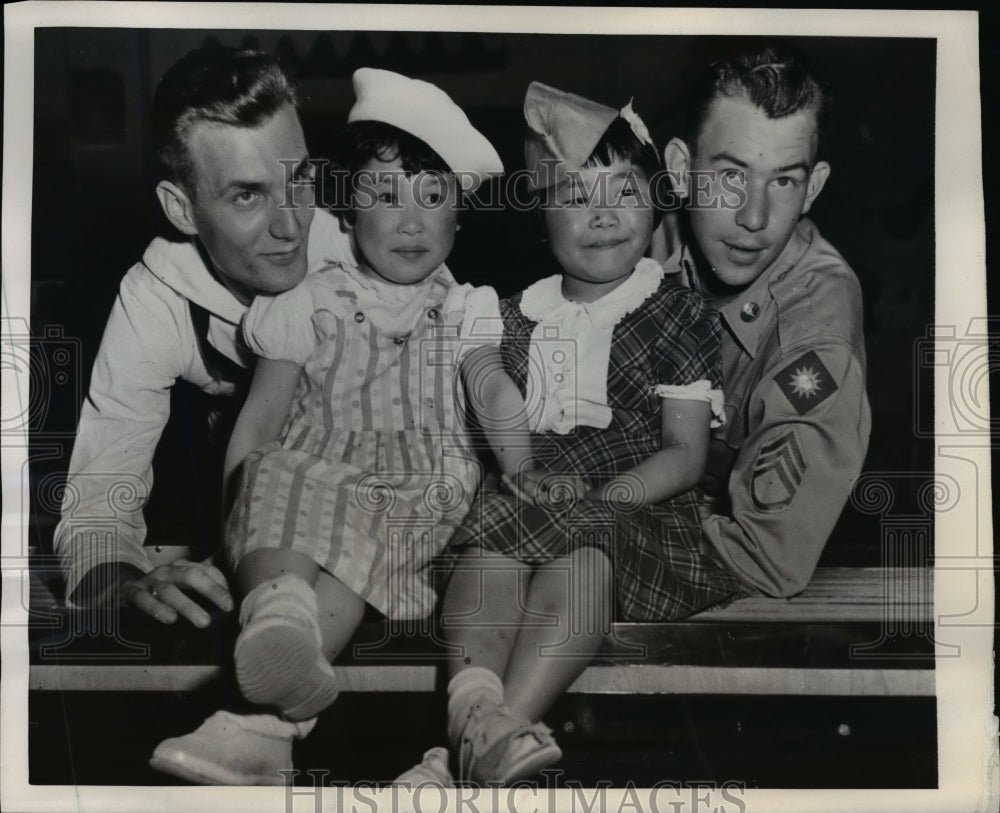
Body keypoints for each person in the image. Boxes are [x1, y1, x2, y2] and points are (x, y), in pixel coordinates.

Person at [149, 67, 530, 786]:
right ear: (346, 208)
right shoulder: (306, 299)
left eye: (433, 195)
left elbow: (492, 390)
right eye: (385, 194)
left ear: (460, 213)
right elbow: (257, 433)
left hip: (416, 491)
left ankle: (262, 724)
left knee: (362, 520)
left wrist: (522, 458)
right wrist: (241, 536)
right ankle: (281, 632)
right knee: (277, 478)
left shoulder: (467, 308)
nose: (412, 219)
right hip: (310, 502)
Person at [400, 81, 735, 788]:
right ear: (541, 214)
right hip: (533, 487)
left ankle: (467, 752)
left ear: (654, 201)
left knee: (582, 566)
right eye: (577, 196)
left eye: (622, 190)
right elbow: (491, 414)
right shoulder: (514, 314)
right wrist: (523, 475)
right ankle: (478, 714)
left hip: (635, 500)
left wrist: (610, 497)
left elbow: (684, 451)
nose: (604, 213)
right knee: (485, 559)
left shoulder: (675, 314)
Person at [52, 47, 356, 627]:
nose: (291, 225)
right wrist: (120, 584)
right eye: (246, 196)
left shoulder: (360, 254)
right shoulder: (155, 297)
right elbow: (98, 501)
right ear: (182, 209)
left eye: (300, 181)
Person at [659, 44, 871, 599]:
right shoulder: (634, 247)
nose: (753, 218)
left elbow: (764, 558)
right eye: (731, 176)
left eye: (783, 181)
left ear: (814, 188)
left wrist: (583, 534)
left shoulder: (816, 324)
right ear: (683, 171)